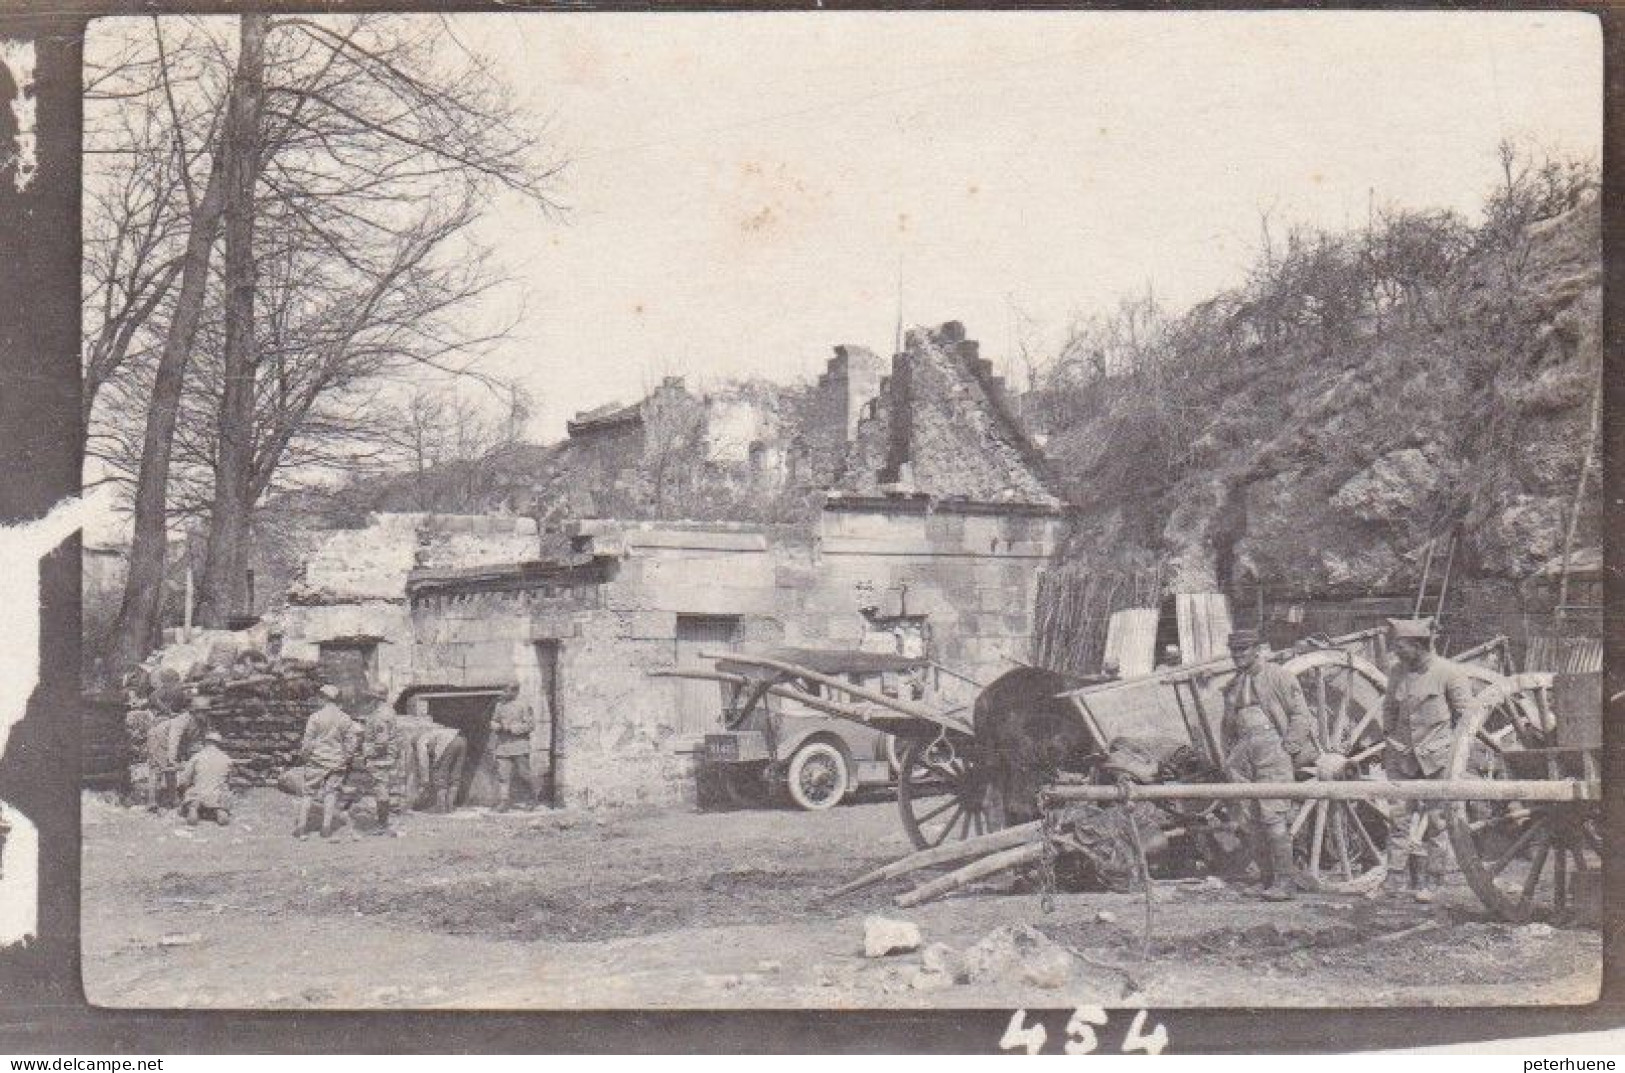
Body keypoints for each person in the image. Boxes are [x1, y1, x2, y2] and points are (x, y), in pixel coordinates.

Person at [1376, 617, 1479, 903]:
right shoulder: (1397, 672)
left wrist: (1448, 750)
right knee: (1398, 819)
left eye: (1401, 646)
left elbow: (1466, 718)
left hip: (1437, 759)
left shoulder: (1449, 673)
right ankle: (1394, 878)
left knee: (1438, 821)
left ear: (1419, 645)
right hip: (1402, 758)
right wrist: (1390, 737)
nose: (1396, 652)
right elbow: (1389, 710)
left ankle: (1434, 879)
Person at [1220, 629, 1320, 901]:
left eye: (1243, 650)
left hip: (1272, 747)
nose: (1238, 656)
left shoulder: (1279, 676)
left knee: (1273, 815)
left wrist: (1289, 747)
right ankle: (1265, 880)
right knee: (1250, 818)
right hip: (1243, 751)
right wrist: (1229, 758)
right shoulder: (1233, 686)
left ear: (1257, 650)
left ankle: (1285, 882)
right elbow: (1227, 726)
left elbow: (1301, 715)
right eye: (1234, 651)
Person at [296, 683, 362, 840]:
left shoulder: (315, 717)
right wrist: (345, 758)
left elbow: (307, 742)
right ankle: (326, 828)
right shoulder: (345, 718)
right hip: (336, 762)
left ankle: (301, 828)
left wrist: (305, 757)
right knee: (331, 794)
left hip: (316, 760)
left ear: (324, 698)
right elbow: (352, 743)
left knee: (308, 793)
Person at [144, 695, 208, 812]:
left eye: (206, 712)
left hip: (175, 743)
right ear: (194, 711)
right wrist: (172, 759)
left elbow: (200, 740)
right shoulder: (183, 720)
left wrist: (203, 756)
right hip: (159, 738)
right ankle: (152, 802)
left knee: (171, 772)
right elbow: (174, 738)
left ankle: (172, 798)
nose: (204, 715)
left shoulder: (202, 722)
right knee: (157, 769)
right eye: (201, 712)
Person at [354, 688, 404, 834]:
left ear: (376, 699)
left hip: (381, 759)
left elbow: (381, 742)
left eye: (370, 698)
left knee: (381, 790)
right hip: (387, 757)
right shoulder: (389, 711)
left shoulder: (379, 716)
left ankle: (382, 825)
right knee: (384, 789)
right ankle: (384, 822)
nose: (368, 701)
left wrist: (367, 753)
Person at [490, 685, 539, 812]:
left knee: (524, 774)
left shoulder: (523, 705)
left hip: (520, 746)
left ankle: (531, 799)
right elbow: (494, 720)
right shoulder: (499, 705)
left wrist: (514, 728)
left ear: (515, 691)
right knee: (503, 775)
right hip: (503, 746)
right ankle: (504, 802)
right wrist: (497, 726)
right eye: (503, 690)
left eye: (506, 690)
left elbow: (531, 725)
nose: (503, 693)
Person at [179, 731, 234, 826]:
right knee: (223, 792)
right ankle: (219, 810)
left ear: (206, 742)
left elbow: (184, 779)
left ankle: (193, 807)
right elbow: (229, 780)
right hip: (217, 794)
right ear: (219, 744)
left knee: (191, 791)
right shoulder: (227, 759)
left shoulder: (197, 756)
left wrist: (183, 787)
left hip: (198, 793)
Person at [415, 724, 468, 814]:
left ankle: (441, 808)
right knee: (455, 774)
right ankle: (450, 806)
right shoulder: (433, 732)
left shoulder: (420, 741)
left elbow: (423, 762)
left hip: (448, 743)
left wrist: (425, 780)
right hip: (462, 740)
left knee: (440, 775)